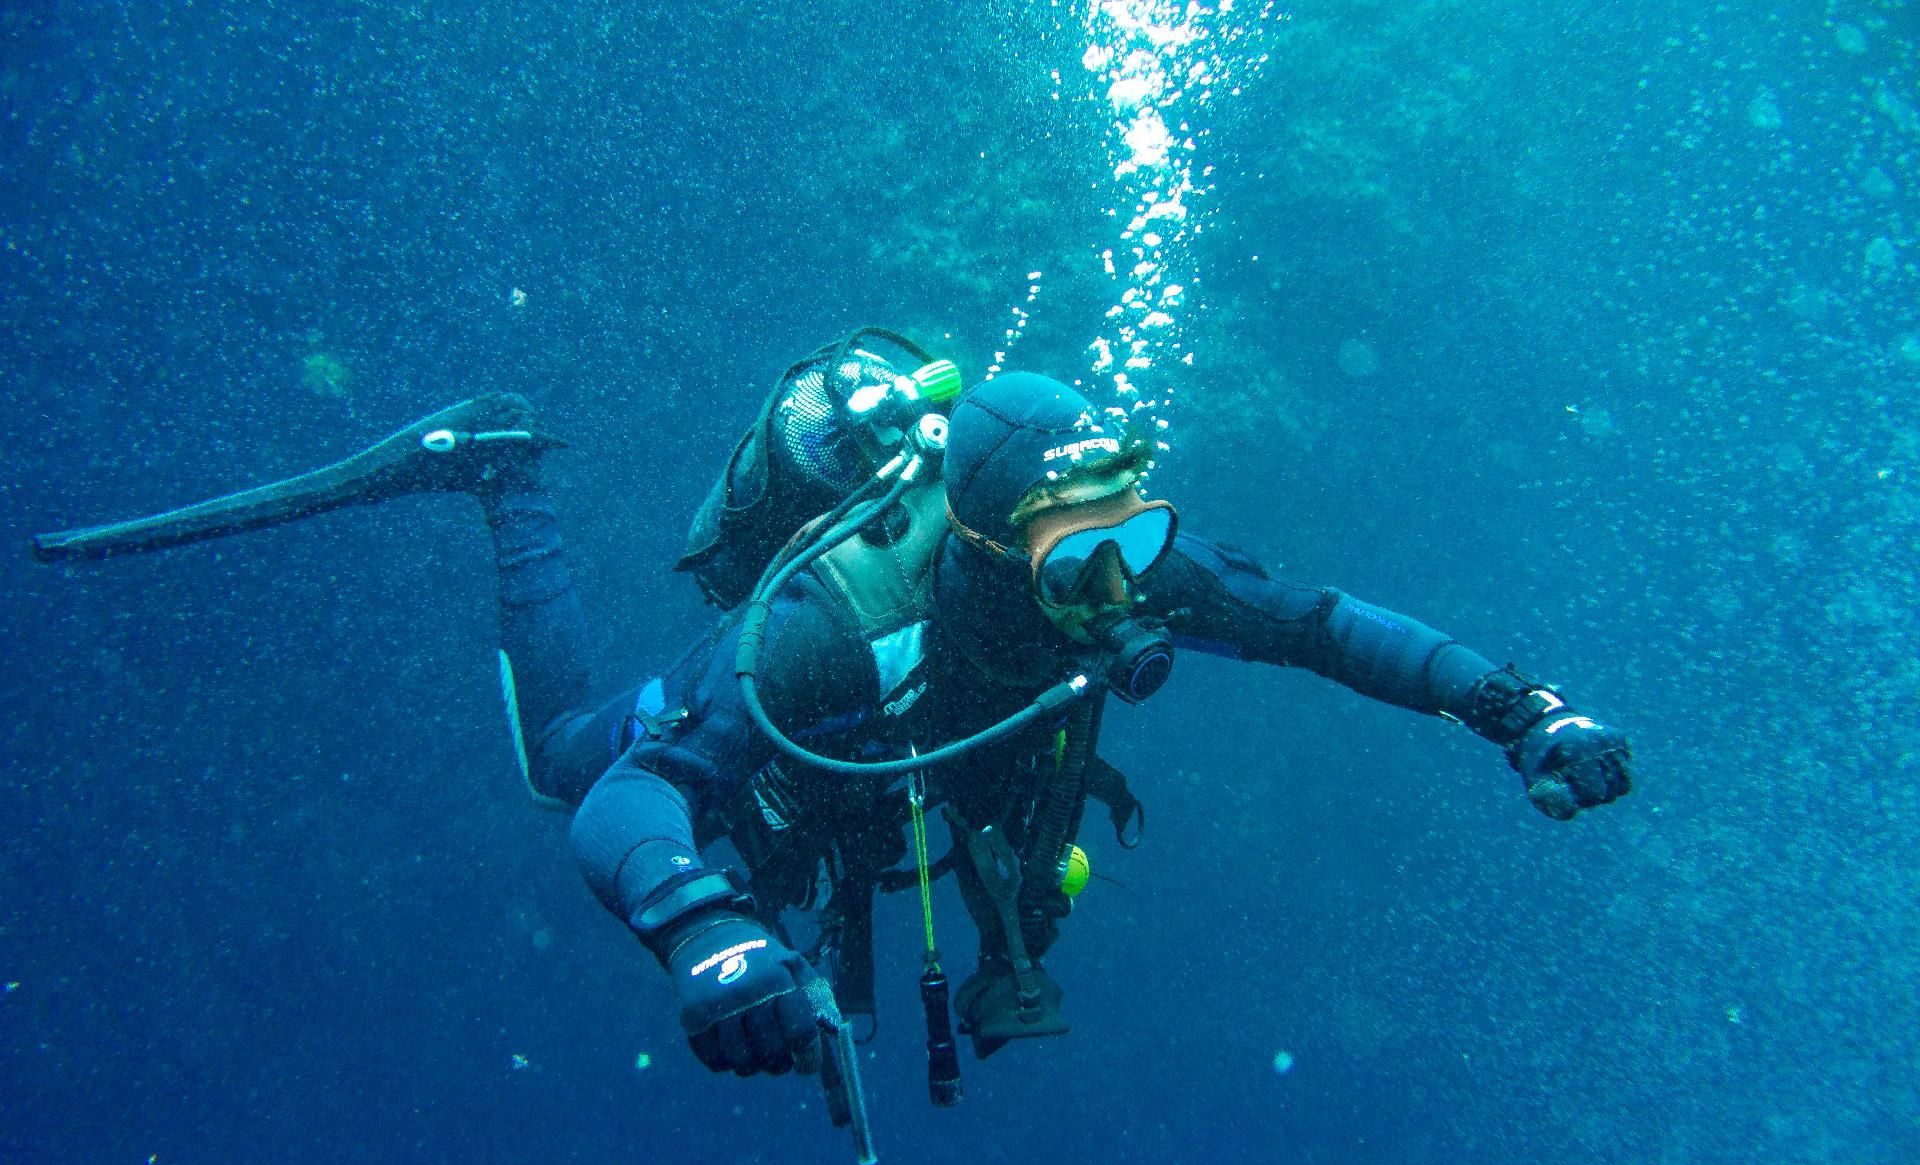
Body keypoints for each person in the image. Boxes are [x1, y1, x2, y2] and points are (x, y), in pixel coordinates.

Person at [33, 334, 1632, 1103]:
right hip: (804, 729)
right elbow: (632, 804)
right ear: (990, 546)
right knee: (561, 761)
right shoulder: (829, 631)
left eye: (1138, 539)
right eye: (1081, 560)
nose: (1125, 588)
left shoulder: (1129, 555)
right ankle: (503, 473)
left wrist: (1516, 709)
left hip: (927, 786)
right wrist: (705, 931)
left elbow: (1325, 626)